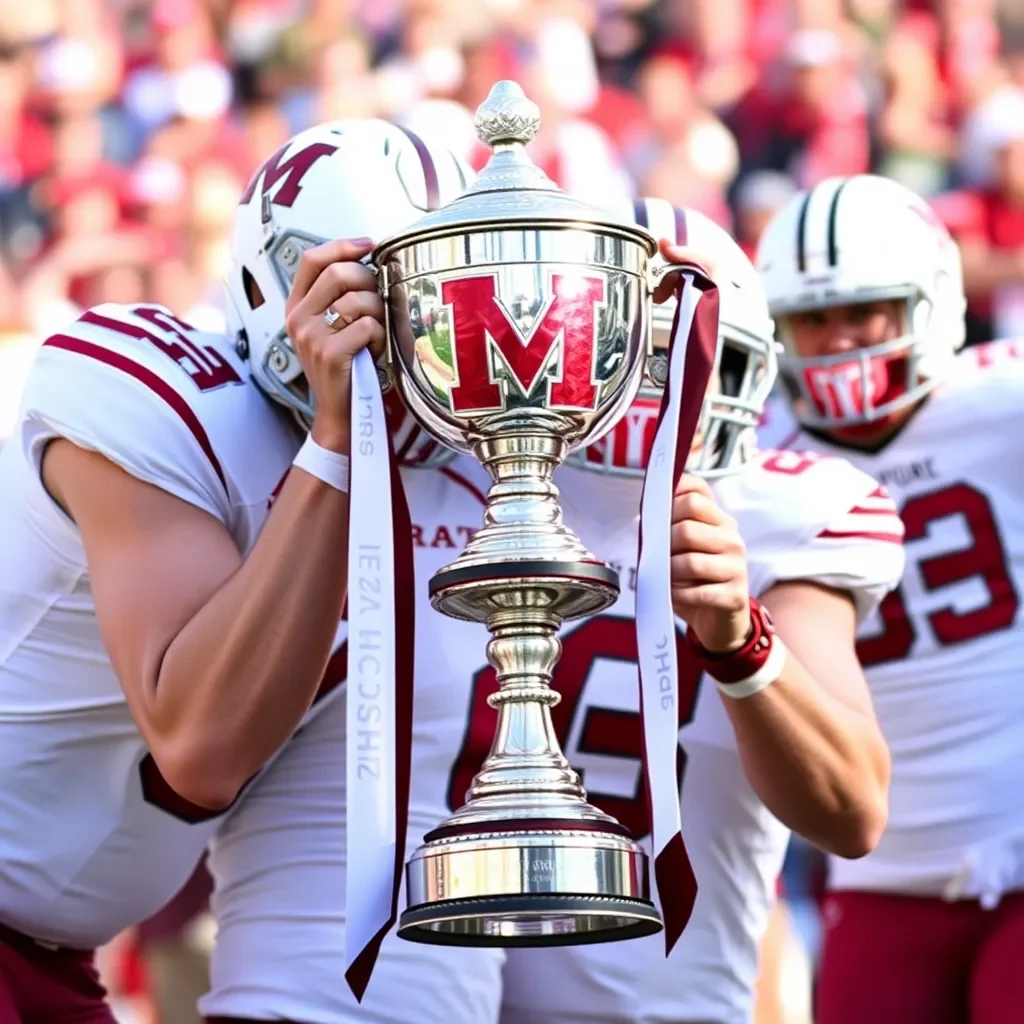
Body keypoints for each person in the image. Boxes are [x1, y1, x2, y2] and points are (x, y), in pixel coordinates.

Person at [193, 194, 903, 1024]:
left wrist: (741, 640)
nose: (643, 399)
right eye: (621, 360)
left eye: (673, 367)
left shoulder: (775, 517)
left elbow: (854, 809)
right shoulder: (430, 481)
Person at [0, 117, 469, 1022]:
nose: (408, 340)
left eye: (433, 305)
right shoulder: (161, 397)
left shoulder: (435, 485)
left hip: (62, 966)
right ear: (276, 278)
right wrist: (335, 443)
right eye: (378, 298)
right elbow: (200, 745)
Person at [755, 172, 1024, 1024]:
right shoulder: (755, 451)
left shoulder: (1005, 399)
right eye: (813, 319)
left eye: (863, 310)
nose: (838, 341)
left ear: (931, 303)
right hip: (881, 871)